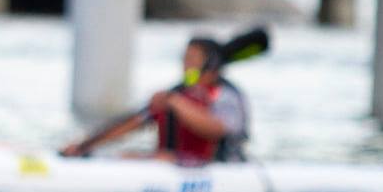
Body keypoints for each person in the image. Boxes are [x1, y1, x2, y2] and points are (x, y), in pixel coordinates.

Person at [60, 35, 250, 163]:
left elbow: (217, 129)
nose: (185, 66)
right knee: (128, 156)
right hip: (172, 162)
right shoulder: (177, 94)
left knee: (156, 157)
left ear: (211, 65)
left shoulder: (227, 95)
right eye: (184, 59)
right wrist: (85, 145)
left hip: (222, 165)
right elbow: (132, 123)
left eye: (191, 60)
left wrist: (176, 103)